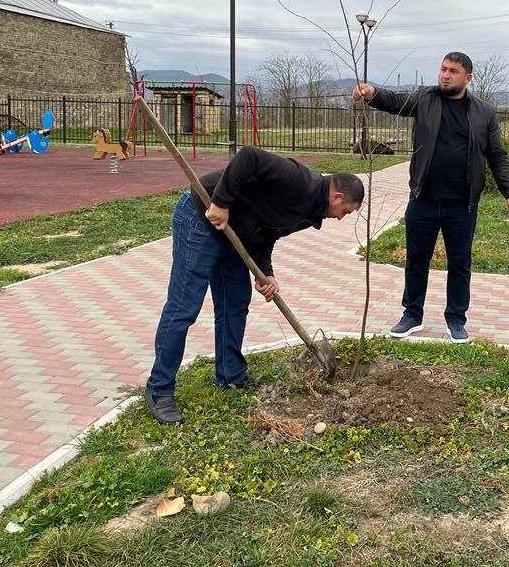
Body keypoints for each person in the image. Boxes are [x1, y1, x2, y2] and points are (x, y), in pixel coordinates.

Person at [144, 147, 364, 424]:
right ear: (337, 196)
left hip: (234, 235)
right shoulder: (299, 180)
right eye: (345, 211)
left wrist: (266, 272)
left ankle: (230, 375)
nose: (341, 217)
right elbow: (248, 157)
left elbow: (269, 231)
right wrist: (221, 202)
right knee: (184, 307)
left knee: (235, 304)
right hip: (201, 218)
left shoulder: (311, 211)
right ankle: (159, 389)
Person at [352, 52, 509, 344]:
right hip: (423, 200)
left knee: (459, 263)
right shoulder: (425, 99)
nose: (445, 75)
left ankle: (456, 319)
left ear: (468, 78)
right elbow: (396, 102)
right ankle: (412, 315)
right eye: (443, 69)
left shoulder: (483, 113)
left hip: (462, 205)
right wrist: (372, 93)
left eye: (453, 71)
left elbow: (496, 155)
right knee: (416, 260)